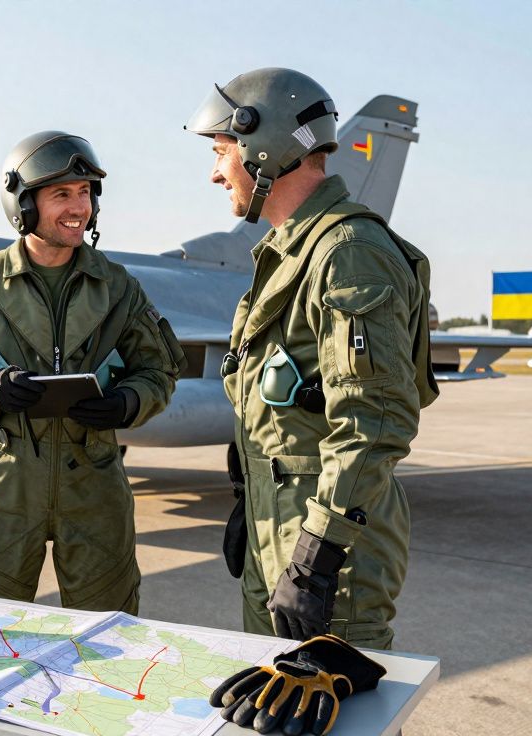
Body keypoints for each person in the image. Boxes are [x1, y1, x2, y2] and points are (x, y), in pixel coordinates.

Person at [185, 68, 438, 649]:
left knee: (335, 717)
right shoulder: (285, 253)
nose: (216, 172)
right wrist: (250, 504)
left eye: (223, 152)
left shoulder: (349, 255)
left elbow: (375, 422)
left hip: (332, 562)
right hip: (279, 538)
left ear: (263, 149)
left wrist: (315, 558)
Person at [0, 131, 185, 614]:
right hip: (6, 487)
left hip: (96, 488)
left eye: (84, 193)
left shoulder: (118, 288)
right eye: (61, 194)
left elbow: (158, 371)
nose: (77, 207)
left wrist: (126, 402)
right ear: (22, 204)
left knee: (107, 641)